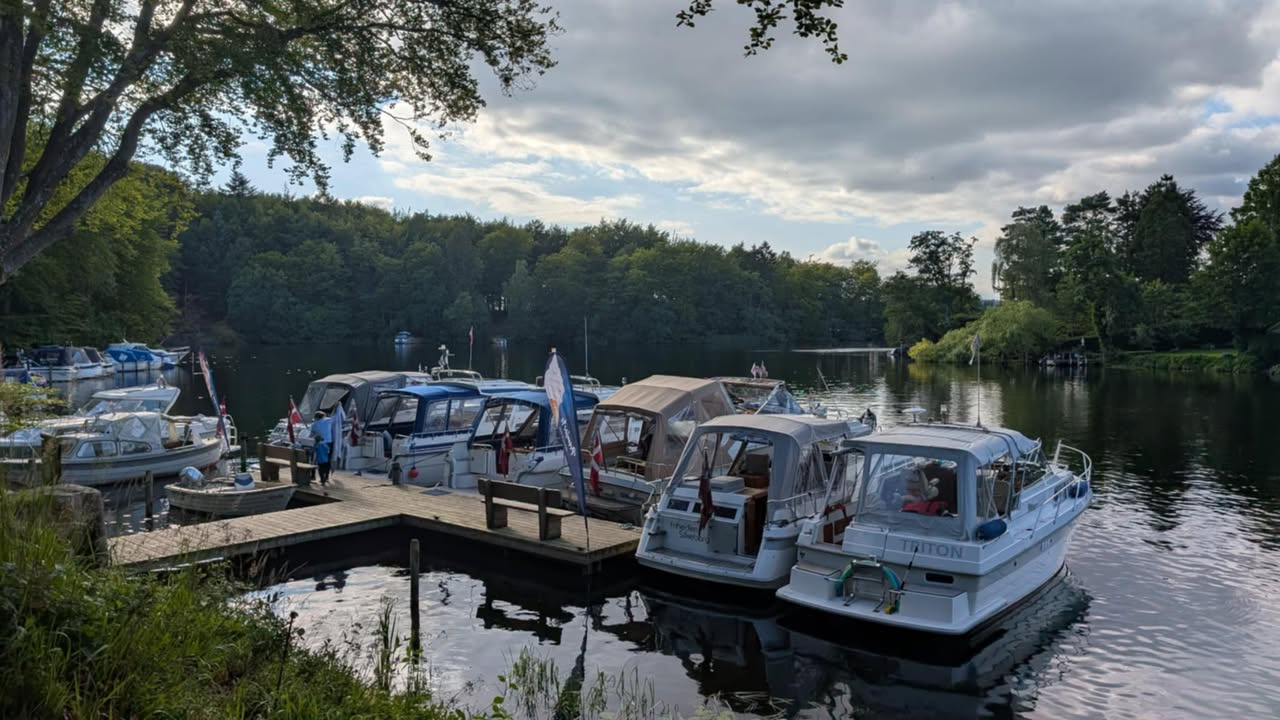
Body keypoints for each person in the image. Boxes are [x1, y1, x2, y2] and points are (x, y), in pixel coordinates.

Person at [312, 411, 333, 485]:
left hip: (320, 444)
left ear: (316, 417)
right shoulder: (329, 421)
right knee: (327, 461)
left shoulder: (315, 424)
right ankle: (327, 476)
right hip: (329, 443)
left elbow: (311, 434)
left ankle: (322, 479)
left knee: (320, 462)